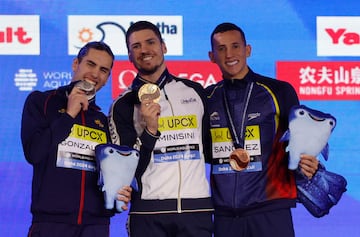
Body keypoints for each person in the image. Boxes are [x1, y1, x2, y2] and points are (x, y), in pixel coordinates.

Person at [206, 22, 319, 237]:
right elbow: (203, 150)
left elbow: (298, 142)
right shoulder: (207, 98)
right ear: (212, 56)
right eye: (221, 49)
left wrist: (308, 161)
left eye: (235, 46)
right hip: (225, 216)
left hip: (271, 210)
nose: (229, 54)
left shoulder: (279, 91)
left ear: (247, 50)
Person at [108, 21, 213, 237]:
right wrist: (149, 131)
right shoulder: (124, 104)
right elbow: (124, 167)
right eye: (136, 46)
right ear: (129, 56)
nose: (144, 50)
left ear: (164, 46)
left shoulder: (194, 91)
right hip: (148, 213)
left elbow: (208, 147)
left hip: (197, 209)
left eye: (150, 42)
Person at [21, 41, 132, 237]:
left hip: (96, 227)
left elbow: (108, 178)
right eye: (90, 64)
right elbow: (34, 153)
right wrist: (68, 116)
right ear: (75, 64)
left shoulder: (103, 120)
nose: (95, 74)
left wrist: (117, 197)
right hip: (51, 225)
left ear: (107, 78)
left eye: (103, 70)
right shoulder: (42, 102)